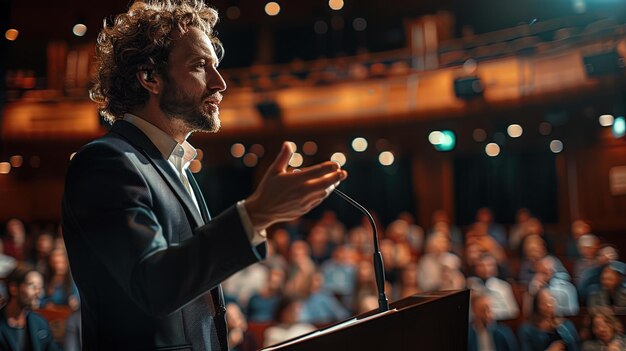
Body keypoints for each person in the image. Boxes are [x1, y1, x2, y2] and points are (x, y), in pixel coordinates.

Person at [61, 1, 347, 350]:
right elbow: (153, 284)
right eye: (200, 66)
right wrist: (256, 214)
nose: (220, 82)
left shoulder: (174, 165)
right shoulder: (106, 162)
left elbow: (187, 284)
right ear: (150, 77)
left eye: (216, 66)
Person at [0, 266, 59, 350]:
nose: (38, 292)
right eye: (32, 286)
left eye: (40, 287)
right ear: (13, 289)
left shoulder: (39, 322)